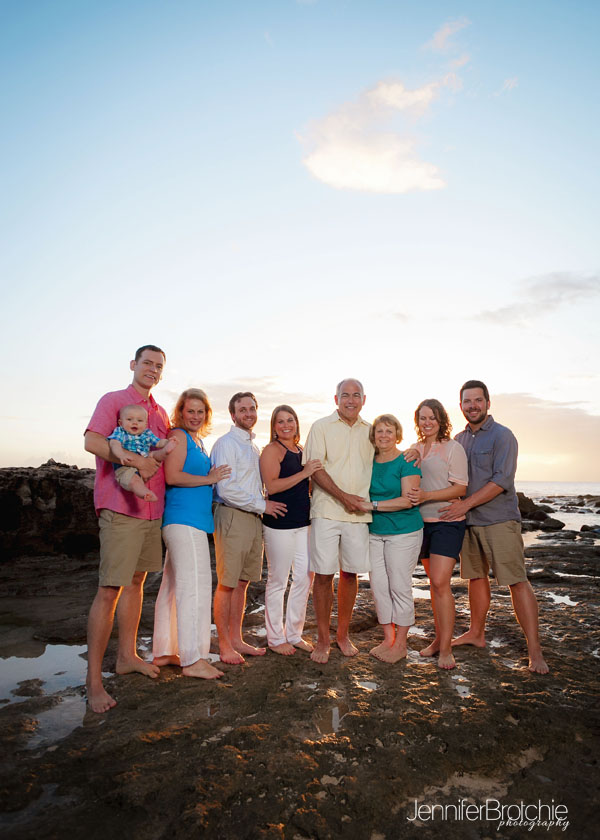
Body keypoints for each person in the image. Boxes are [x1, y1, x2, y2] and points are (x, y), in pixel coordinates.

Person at [439, 380, 549, 674]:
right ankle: (476, 633)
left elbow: (502, 481)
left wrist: (464, 504)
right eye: (467, 401)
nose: (472, 406)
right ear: (460, 405)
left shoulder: (503, 436)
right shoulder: (459, 441)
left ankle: (534, 651)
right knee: (476, 578)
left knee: (516, 580)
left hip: (499, 519)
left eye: (477, 400)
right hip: (469, 523)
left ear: (488, 403)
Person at [84, 345, 169, 713]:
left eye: (158, 366)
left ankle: (127, 656)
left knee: (136, 581)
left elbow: (162, 454)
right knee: (108, 589)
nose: (152, 369)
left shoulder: (160, 412)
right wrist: (133, 460)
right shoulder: (114, 400)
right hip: (120, 508)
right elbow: (92, 441)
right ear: (133, 365)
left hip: (152, 512)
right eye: (147, 363)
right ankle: (93, 682)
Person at [152, 389, 231, 679]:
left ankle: (163, 651)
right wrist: (210, 478)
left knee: (172, 587)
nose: (195, 416)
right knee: (194, 588)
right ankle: (193, 659)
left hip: (193, 521)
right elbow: (172, 476)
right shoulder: (178, 436)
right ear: (181, 412)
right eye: (190, 411)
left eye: (201, 412)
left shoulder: (197, 441)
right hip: (183, 520)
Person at [211, 392, 287, 665]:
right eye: (242, 409)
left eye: (252, 408)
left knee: (242, 583)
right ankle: (224, 646)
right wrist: (263, 505)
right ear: (233, 415)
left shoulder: (253, 447)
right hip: (233, 516)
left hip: (254, 518)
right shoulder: (226, 444)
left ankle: (236, 639)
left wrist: (263, 504)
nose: (248, 413)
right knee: (227, 583)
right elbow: (226, 489)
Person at [302, 378, 374, 663]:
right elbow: (315, 470)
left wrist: (413, 452)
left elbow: (388, 456)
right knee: (323, 575)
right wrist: (344, 496)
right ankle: (322, 639)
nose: (351, 400)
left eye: (356, 395)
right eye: (345, 395)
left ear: (363, 400)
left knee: (350, 574)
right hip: (326, 512)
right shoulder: (320, 427)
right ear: (336, 399)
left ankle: (342, 635)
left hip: (358, 515)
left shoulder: (371, 431)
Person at [405, 399, 468, 670]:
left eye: (432, 417)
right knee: (433, 585)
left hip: (447, 522)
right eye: (422, 418)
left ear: (441, 419)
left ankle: (446, 649)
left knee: (441, 583)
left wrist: (428, 495)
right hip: (422, 524)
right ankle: (438, 640)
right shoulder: (416, 448)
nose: (427, 422)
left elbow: (460, 489)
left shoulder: (453, 448)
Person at [357, 415, 423, 663]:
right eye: (379, 431)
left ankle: (402, 645)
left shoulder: (408, 460)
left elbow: (409, 499)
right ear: (373, 435)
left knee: (399, 586)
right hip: (375, 533)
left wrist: (372, 505)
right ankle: (388, 639)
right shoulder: (369, 461)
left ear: (397, 434)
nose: (383, 435)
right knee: (379, 588)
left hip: (404, 533)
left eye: (389, 431)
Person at [259, 405, 322, 655]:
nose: (286, 425)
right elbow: (272, 486)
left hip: (303, 524)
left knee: (305, 577)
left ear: (296, 423)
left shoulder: (301, 450)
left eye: (290, 420)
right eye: (281, 421)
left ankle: (294, 633)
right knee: (277, 580)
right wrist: (305, 472)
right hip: (279, 525)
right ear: (274, 427)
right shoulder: (272, 451)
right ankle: (275, 638)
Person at [107, 404, 177, 502]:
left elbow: (158, 442)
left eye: (139, 421)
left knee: (154, 454)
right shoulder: (120, 432)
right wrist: (121, 454)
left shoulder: (146, 433)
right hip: (126, 466)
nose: (135, 423)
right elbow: (114, 443)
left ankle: (166, 451)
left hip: (145, 458)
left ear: (145, 424)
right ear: (121, 423)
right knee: (134, 481)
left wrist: (167, 442)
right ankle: (145, 493)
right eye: (129, 419)